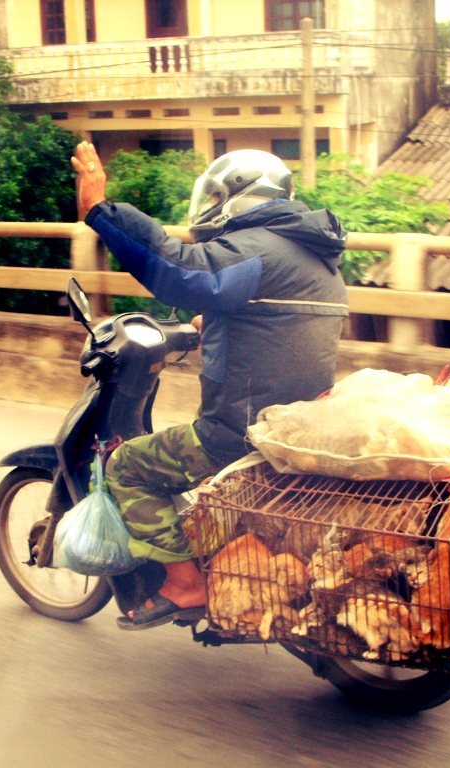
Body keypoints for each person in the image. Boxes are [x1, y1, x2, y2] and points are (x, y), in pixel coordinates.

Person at [70, 141, 348, 629]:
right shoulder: (314, 259)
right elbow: (271, 321)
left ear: (238, 196)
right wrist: (213, 323)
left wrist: (101, 211)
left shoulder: (259, 249)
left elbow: (181, 272)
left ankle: (184, 582)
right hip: (295, 424)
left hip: (238, 433)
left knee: (126, 465)